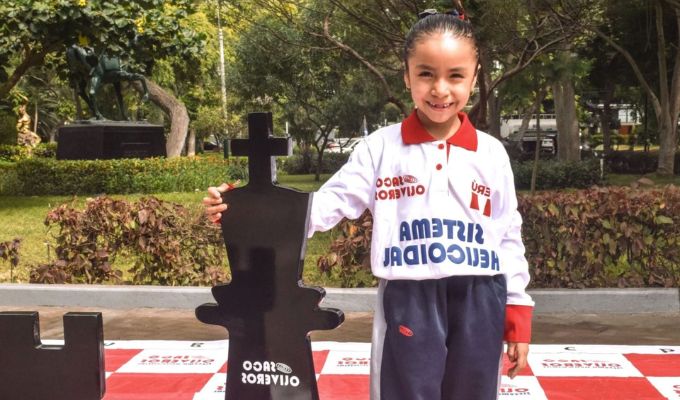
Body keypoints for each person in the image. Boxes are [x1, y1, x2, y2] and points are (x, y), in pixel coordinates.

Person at [204, 7, 533, 400]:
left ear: (475, 77)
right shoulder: (381, 148)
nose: (440, 89)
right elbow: (329, 203)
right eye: (426, 74)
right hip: (410, 298)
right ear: (406, 75)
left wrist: (517, 314)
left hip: (481, 297)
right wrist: (246, 211)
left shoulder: (491, 153)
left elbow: (508, 234)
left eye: (455, 75)